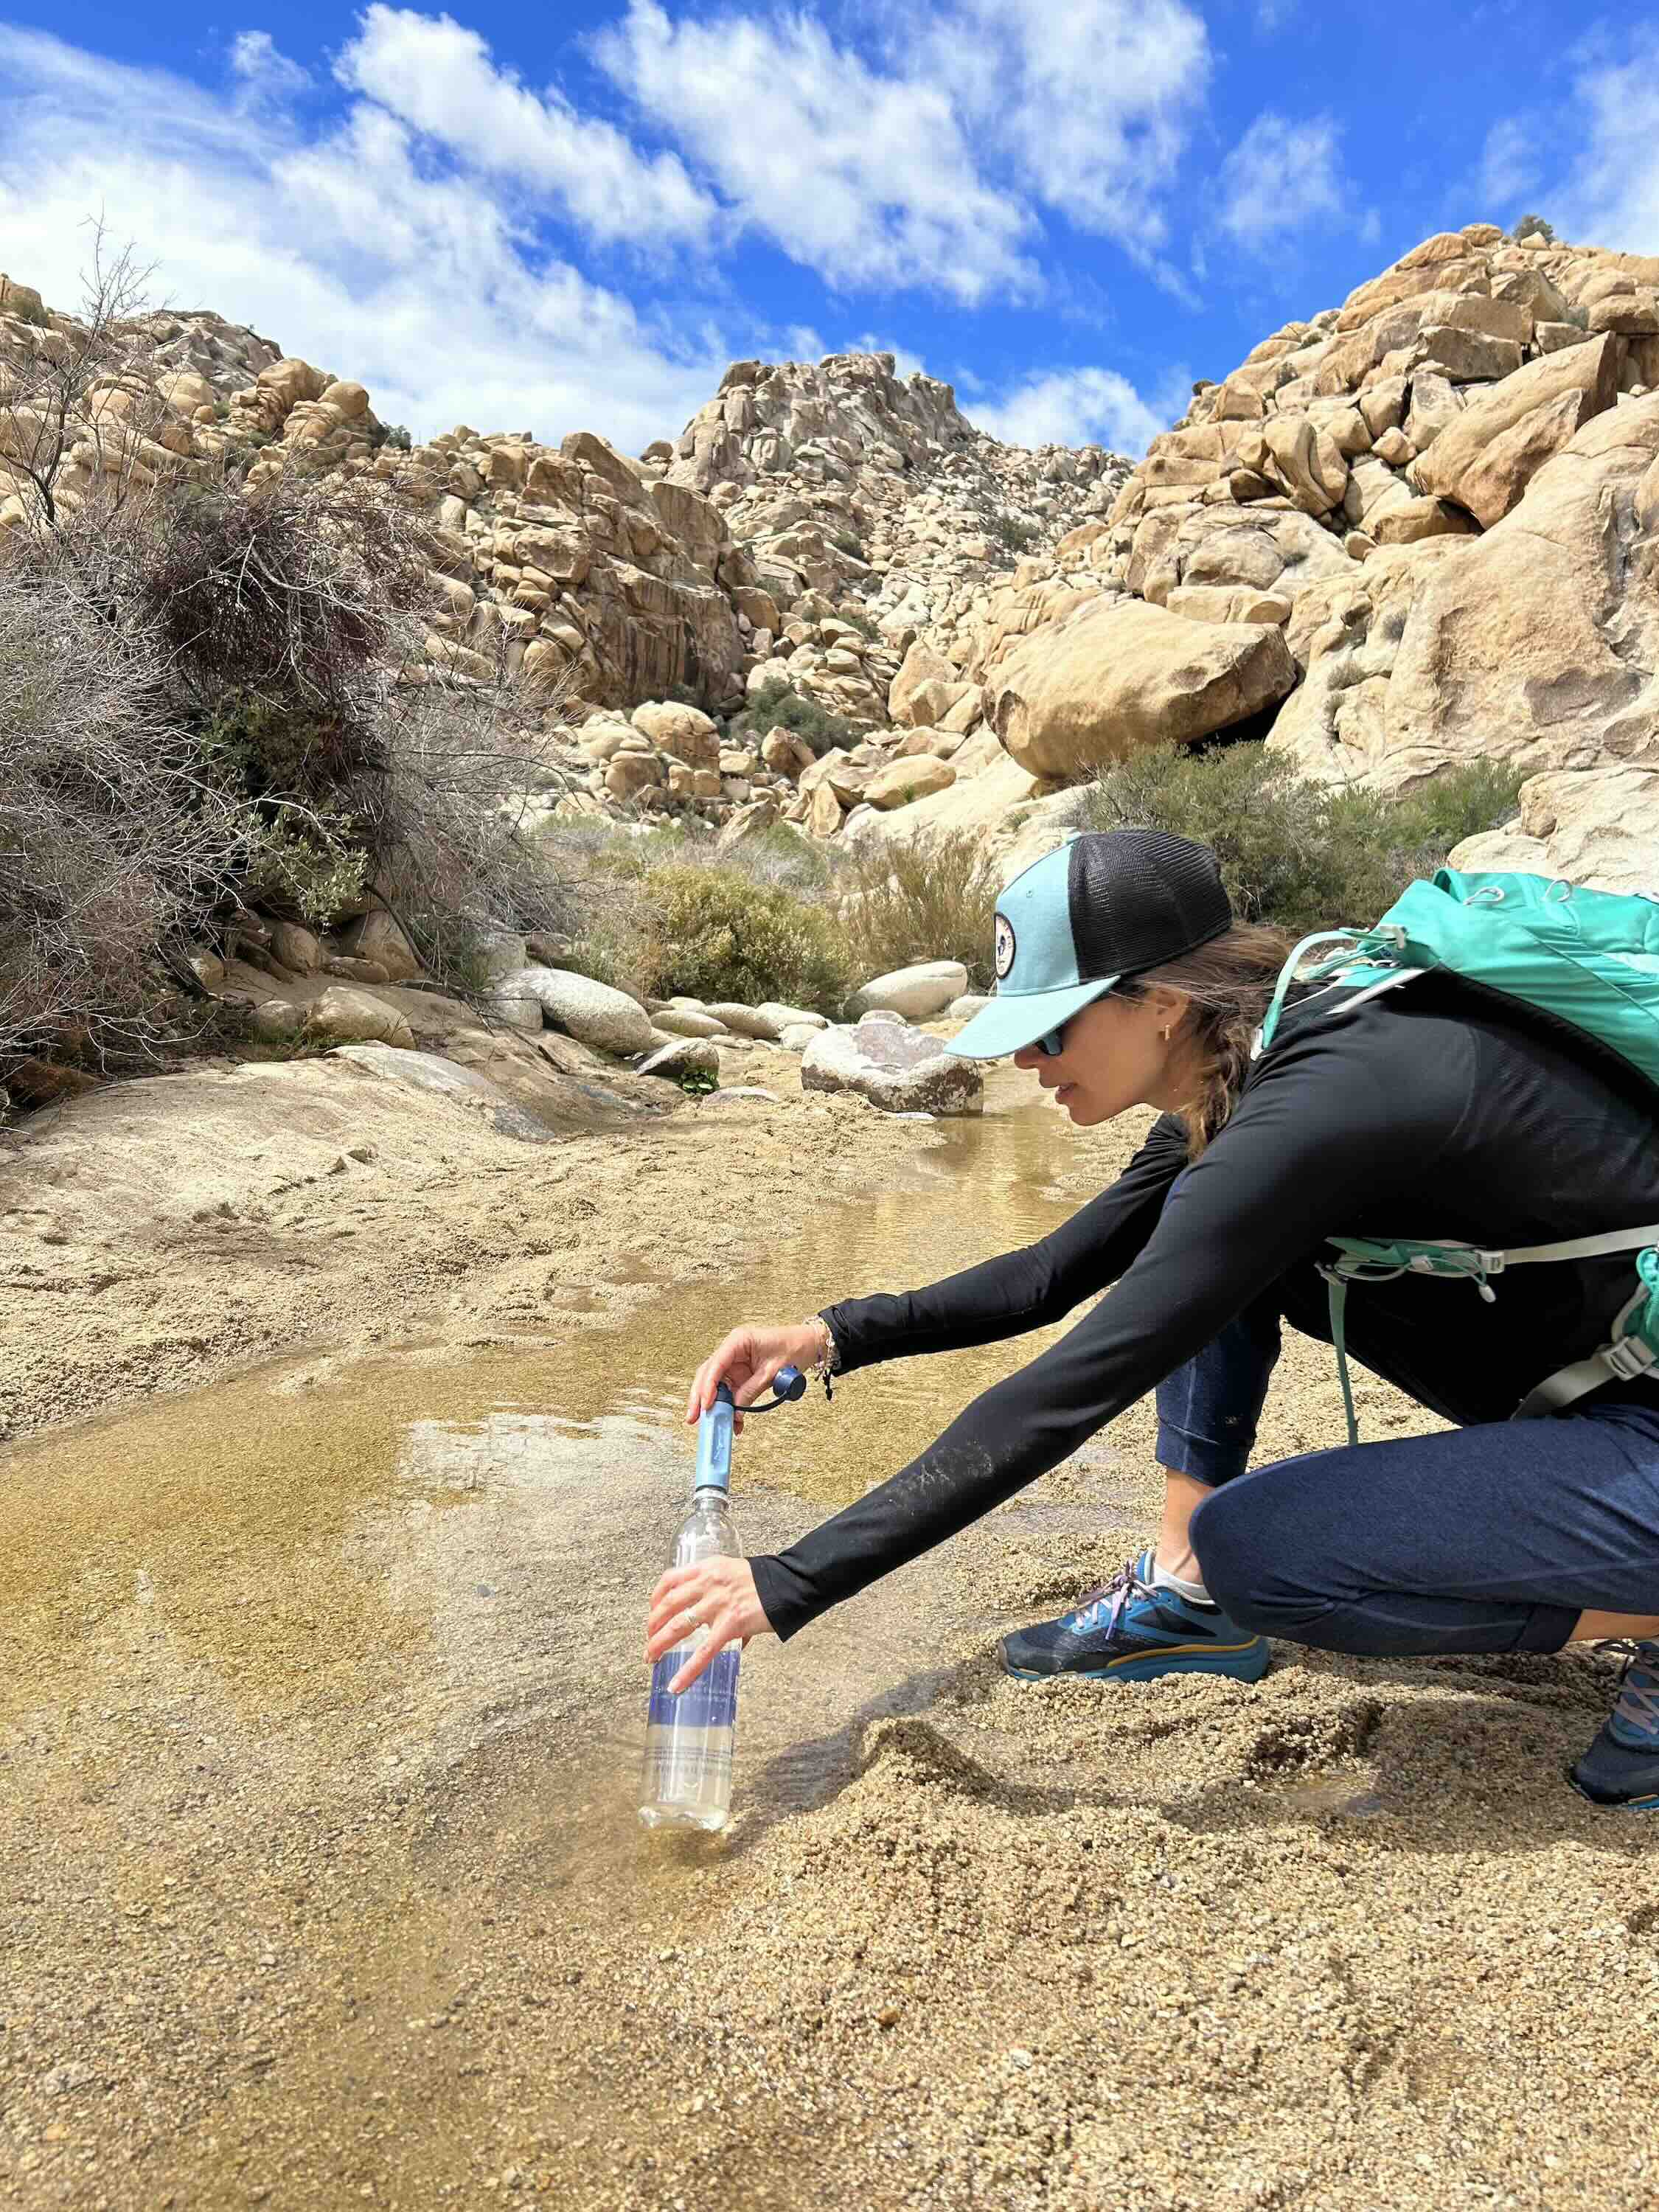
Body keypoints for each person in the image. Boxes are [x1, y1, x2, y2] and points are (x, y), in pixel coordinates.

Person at [647, 828, 1659, 1809]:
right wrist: (832, 1335)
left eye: (1050, 1031)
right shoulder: (1259, 1062)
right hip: (1606, 1397)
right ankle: (1188, 1599)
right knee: (1209, 1262)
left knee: (1267, 1554)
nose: (1028, 1064)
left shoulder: (1329, 1102)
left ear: (1162, 1004)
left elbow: (1074, 1386)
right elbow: (1050, 1275)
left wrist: (791, 1581)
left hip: (1638, 1424)